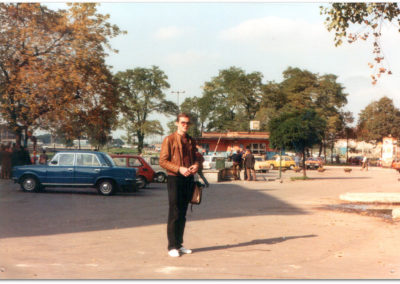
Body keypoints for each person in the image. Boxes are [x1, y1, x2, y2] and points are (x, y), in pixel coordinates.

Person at [159, 113, 200, 258]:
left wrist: (196, 165)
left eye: (187, 123)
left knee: (183, 213)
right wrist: (178, 168)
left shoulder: (191, 140)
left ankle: (179, 244)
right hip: (174, 178)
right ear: (177, 123)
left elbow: (196, 158)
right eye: (182, 122)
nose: (185, 125)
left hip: (188, 178)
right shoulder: (169, 139)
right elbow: (162, 161)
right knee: (174, 212)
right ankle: (171, 246)